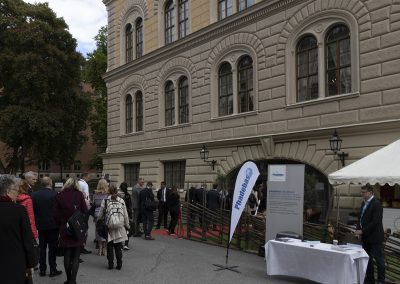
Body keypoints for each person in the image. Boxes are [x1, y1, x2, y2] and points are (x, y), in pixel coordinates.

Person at [0, 174, 36, 284]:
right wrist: (31, 264)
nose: (18, 194)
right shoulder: (19, 210)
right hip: (14, 262)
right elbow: (27, 240)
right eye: (16, 190)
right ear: (7, 192)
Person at [54, 178, 88, 284]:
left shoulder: (59, 195)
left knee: (67, 254)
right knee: (76, 255)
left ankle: (68, 279)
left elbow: (55, 214)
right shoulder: (79, 195)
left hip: (65, 227)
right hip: (77, 227)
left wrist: (62, 222)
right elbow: (85, 211)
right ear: (76, 185)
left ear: (66, 184)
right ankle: (73, 280)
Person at [31, 177, 62, 277]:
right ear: (50, 183)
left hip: (40, 225)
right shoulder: (56, 195)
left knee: (42, 247)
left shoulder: (34, 195)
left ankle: (42, 269)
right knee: (52, 248)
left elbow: (33, 211)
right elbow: (58, 211)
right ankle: (53, 269)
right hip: (53, 225)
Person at [354, 184, 385, 284]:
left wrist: (362, 231)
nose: (362, 194)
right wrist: (358, 229)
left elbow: (375, 222)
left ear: (371, 192)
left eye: (364, 192)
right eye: (361, 192)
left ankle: (381, 280)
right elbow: (360, 217)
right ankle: (370, 279)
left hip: (375, 237)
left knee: (378, 259)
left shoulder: (376, 204)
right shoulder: (364, 203)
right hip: (366, 237)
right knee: (368, 259)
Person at [98, 185, 130, 270]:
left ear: (109, 192)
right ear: (117, 191)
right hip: (119, 226)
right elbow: (126, 215)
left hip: (109, 227)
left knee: (110, 246)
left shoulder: (105, 201)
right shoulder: (121, 200)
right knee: (118, 246)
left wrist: (98, 221)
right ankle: (119, 264)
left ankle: (110, 264)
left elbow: (100, 214)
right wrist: (127, 225)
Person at [93, 179, 108, 256]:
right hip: (105, 214)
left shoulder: (95, 194)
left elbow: (94, 204)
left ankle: (100, 248)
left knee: (98, 230)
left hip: (96, 214)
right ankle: (105, 249)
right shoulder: (107, 195)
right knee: (105, 230)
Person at [78, 173, 91, 255]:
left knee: (79, 227)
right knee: (84, 227)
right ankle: (82, 247)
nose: (90, 179)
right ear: (84, 177)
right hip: (83, 208)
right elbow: (86, 197)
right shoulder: (85, 184)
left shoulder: (78, 183)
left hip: (78, 208)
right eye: (89, 177)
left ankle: (78, 246)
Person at [120, 182, 132, 250]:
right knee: (127, 229)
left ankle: (121, 245)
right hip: (126, 214)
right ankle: (126, 244)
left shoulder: (118, 195)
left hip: (119, 214)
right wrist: (131, 216)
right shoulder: (128, 195)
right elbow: (130, 207)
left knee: (120, 229)